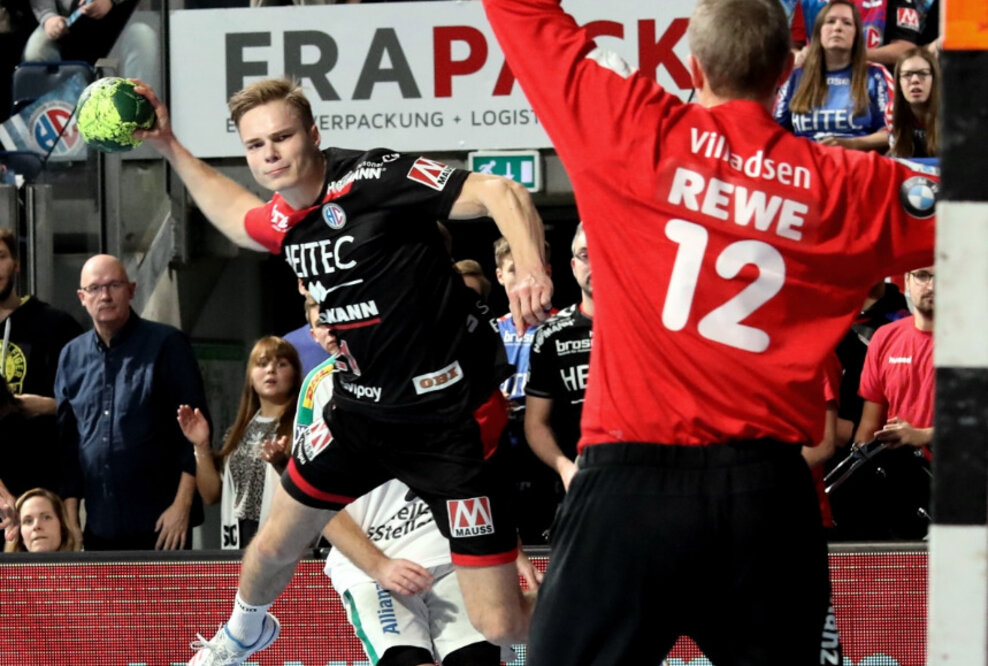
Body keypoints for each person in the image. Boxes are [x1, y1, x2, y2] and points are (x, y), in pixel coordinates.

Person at [482, 0, 936, 663]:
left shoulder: (631, 125)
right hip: (767, 498)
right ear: (788, 70)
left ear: (691, 64)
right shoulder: (845, 184)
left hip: (628, 488)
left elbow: (518, 10)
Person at [132, 77, 551, 664]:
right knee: (273, 546)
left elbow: (500, 191)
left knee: (503, 625)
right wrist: (170, 145)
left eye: (281, 137)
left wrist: (530, 267)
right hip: (360, 414)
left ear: (314, 134)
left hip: (449, 426)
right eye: (255, 145)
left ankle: (588, 615)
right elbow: (238, 216)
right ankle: (245, 632)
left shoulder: (376, 178)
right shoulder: (286, 219)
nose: (270, 153)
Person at [294, 301, 518, 666]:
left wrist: (512, 547)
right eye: (323, 323)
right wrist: (380, 566)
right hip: (374, 561)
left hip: (448, 548)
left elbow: (480, 468)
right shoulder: (319, 387)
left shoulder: (429, 359)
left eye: (339, 320)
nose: (334, 331)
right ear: (315, 334)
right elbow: (314, 501)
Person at [55, 254, 208, 551]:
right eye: (95, 288)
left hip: (164, 525)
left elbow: (196, 432)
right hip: (99, 526)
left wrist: (182, 506)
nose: (105, 295)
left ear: (132, 290)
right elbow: (68, 446)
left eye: (114, 285)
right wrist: (71, 522)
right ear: (81, 297)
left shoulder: (167, 344)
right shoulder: (71, 357)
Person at [178, 336, 301, 550]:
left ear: (295, 374)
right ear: (250, 376)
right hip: (238, 540)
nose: (271, 370)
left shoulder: (302, 427)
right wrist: (201, 445)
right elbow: (210, 494)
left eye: (281, 364)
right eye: (262, 364)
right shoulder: (237, 433)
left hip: (285, 541)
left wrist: (282, 464)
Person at [849, 266, 934, 539]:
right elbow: (868, 428)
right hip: (903, 485)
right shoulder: (885, 338)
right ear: (907, 280)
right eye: (922, 275)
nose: (931, 286)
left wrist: (920, 435)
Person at [0, 227, 83, 499]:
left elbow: (96, 401)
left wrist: (50, 406)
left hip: (42, 494)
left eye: (0, 256)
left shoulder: (55, 326)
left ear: (16, 264)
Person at [524, 222, 593, 496]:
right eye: (586, 255)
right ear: (574, 266)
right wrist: (565, 467)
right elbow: (536, 422)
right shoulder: (551, 335)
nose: (595, 264)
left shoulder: (650, 326)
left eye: (602, 252)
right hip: (578, 482)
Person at [774, 0, 893, 151]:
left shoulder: (876, 74)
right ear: (818, 32)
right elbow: (774, 130)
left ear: (857, 34)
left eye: (847, 23)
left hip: (857, 162)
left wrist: (852, 144)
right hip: (806, 164)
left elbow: (893, 133)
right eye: (830, 21)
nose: (837, 28)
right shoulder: (796, 77)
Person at [888, 47, 939, 159]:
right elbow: (900, 158)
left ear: (934, 79)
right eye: (907, 75)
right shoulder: (891, 111)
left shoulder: (950, 111)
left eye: (922, 73)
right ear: (899, 82)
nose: (915, 80)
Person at [3, 486, 80, 552]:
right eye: (28, 521)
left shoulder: (83, 568)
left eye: (46, 517)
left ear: (62, 526)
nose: (36, 526)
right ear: (20, 536)